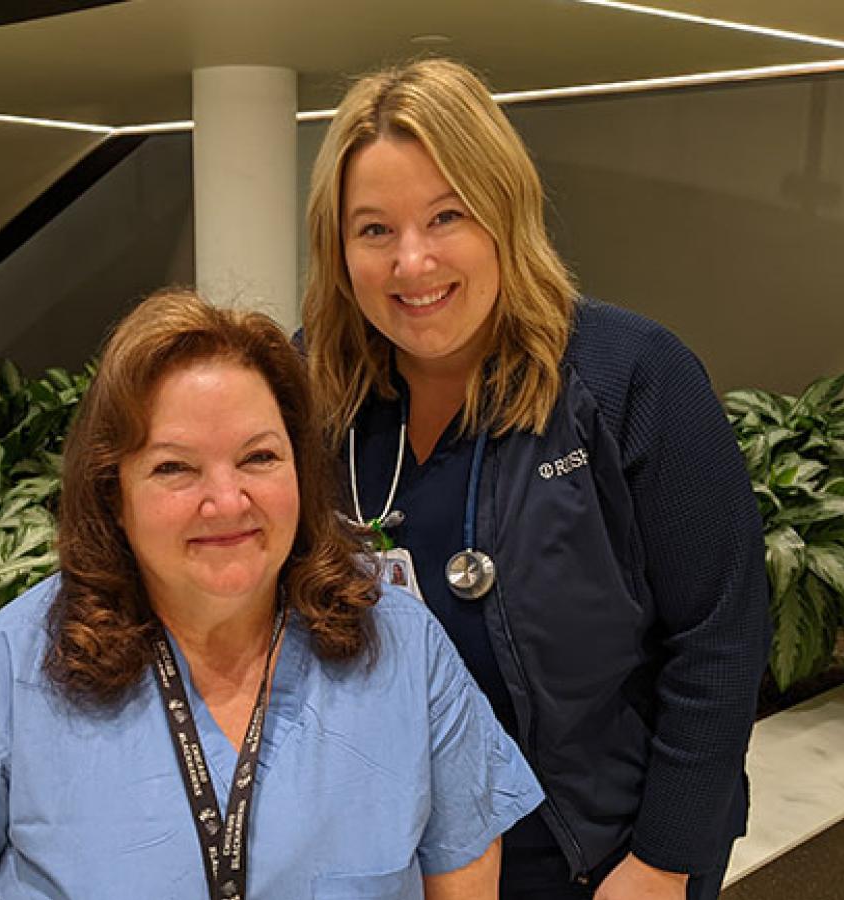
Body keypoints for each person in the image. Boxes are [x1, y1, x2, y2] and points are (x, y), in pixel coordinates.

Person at [0, 288, 544, 900]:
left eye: (259, 457)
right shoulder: (13, 667)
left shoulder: (402, 648)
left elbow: (464, 875)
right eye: (176, 467)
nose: (227, 500)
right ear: (114, 492)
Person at [301, 59, 771, 900]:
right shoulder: (309, 393)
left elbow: (720, 634)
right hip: (388, 862)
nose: (412, 263)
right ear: (337, 248)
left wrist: (665, 859)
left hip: (595, 859)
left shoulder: (630, 376)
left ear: (503, 212)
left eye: (446, 216)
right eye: (373, 230)